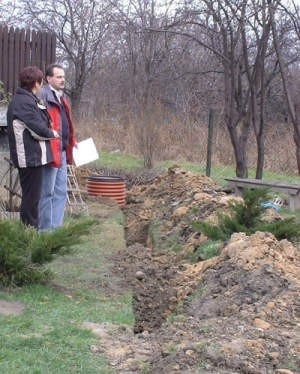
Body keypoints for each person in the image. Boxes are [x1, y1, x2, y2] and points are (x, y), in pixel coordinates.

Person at [7, 66, 58, 229]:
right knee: (30, 201)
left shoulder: (28, 99)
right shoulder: (23, 102)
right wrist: (53, 133)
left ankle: (29, 234)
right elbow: (37, 129)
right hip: (29, 159)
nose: (42, 84)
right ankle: (28, 237)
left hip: (33, 158)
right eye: (41, 81)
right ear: (36, 83)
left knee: (32, 199)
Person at [38, 63, 76, 231]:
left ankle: (56, 229)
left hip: (61, 150)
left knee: (61, 192)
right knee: (47, 193)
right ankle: (44, 232)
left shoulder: (60, 96)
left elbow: (63, 124)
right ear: (48, 78)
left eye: (63, 77)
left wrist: (70, 141)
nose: (63, 80)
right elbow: (41, 125)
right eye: (59, 77)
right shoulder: (43, 96)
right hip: (50, 152)